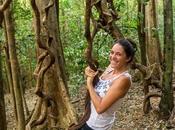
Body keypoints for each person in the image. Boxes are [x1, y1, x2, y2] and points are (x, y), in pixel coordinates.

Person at [80, 39, 135, 130]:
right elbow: (98, 87)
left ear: (128, 58)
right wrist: (89, 72)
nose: (113, 57)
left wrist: (89, 83)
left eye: (118, 54)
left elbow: (100, 108)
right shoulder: (110, 68)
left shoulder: (124, 79)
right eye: (112, 52)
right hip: (88, 119)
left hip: (97, 126)